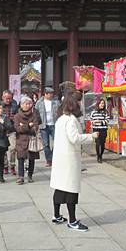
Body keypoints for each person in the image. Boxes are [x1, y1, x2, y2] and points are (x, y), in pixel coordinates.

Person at [50, 91, 97, 229]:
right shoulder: (71, 120)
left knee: (60, 187)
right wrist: (91, 136)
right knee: (71, 189)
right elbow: (75, 138)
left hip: (61, 157)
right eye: (79, 101)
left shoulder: (61, 118)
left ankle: (57, 215)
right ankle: (72, 221)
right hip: (69, 159)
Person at [14, 96, 40, 184]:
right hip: (21, 140)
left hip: (31, 139)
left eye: (29, 104)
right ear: (21, 105)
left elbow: (35, 128)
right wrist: (28, 125)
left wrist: (24, 126)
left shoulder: (34, 115)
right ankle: (21, 176)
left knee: (31, 158)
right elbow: (18, 129)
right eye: (26, 104)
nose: (28, 106)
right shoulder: (17, 116)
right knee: (21, 158)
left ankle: (30, 175)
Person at [35, 87, 59, 166]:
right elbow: (36, 114)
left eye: (52, 93)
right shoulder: (39, 102)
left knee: (57, 141)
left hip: (54, 124)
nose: (51, 95)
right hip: (43, 125)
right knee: (46, 144)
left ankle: (54, 156)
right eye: (49, 93)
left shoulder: (56, 101)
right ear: (45, 94)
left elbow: (60, 111)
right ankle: (48, 159)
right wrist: (37, 125)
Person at [1, 89, 19, 175]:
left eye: (10, 98)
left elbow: (18, 116)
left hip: (12, 130)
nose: (8, 100)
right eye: (7, 98)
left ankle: (12, 165)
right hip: (3, 130)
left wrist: (14, 118)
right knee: (3, 149)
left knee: (13, 148)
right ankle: (5, 166)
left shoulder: (14, 106)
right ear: (3, 97)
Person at [90, 98, 110, 163]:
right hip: (96, 129)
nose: (102, 105)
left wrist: (101, 122)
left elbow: (107, 120)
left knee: (102, 143)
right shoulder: (94, 112)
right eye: (101, 103)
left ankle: (101, 155)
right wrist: (94, 122)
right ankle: (98, 156)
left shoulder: (106, 112)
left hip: (103, 129)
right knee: (97, 143)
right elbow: (91, 119)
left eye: (103, 103)